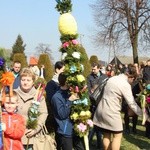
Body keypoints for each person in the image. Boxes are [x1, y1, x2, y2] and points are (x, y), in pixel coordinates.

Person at [93, 64, 142, 150]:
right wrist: (144, 115)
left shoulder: (112, 78)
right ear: (130, 76)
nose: (133, 82)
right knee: (117, 135)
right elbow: (132, 103)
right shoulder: (125, 84)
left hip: (101, 109)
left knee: (106, 134)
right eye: (133, 79)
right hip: (112, 112)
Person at [14, 68, 48, 150]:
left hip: (32, 137)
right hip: (15, 136)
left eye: (28, 80)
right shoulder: (14, 94)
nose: (25, 82)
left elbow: (43, 113)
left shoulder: (39, 96)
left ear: (33, 82)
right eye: (23, 80)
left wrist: (35, 129)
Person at [51, 73, 78, 150]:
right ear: (66, 82)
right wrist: (69, 101)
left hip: (76, 129)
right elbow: (62, 115)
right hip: (65, 131)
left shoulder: (71, 93)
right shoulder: (56, 97)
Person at [87, 62, 107, 149]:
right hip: (93, 104)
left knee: (100, 126)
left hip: (102, 104)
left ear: (99, 68)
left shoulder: (105, 78)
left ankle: (100, 144)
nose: (93, 70)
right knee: (92, 125)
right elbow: (88, 90)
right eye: (92, 69)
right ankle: (88, 143)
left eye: (94, 69)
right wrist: (93, 96)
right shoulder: (89, 77)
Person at [45, 61, 65, 133]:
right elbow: (51, 99)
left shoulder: (64, 84)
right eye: (63, 70)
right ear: (57, 70)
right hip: (54, 114)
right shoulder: (51, 84)